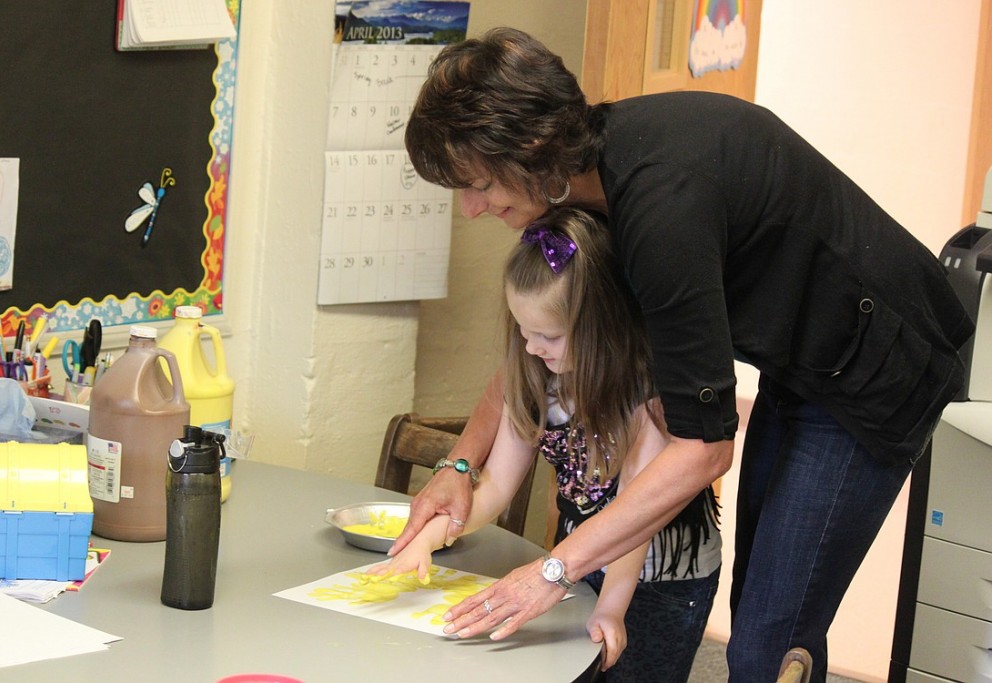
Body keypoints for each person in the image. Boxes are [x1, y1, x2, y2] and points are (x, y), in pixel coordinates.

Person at [391, 27, 975, 682]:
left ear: (528, 147)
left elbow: (704, 449)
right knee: (770, 608)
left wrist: (554, 569)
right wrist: (460, 462)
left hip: (882, 368)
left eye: (475, 184)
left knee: (766, 640)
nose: (471, 209)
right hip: (808, 361)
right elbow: (529, 363)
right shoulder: (588, 190)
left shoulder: (660, 208)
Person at [371, 207, 722, 681]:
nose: (531, 346)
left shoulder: (648, 396)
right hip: (572, 559)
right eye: (521, 328)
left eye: (548, 335)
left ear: (602, 326)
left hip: (659, 578)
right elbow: (494, 487)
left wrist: (614, 607)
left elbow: (636, 516)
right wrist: (428, 541)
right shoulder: (540, 377)